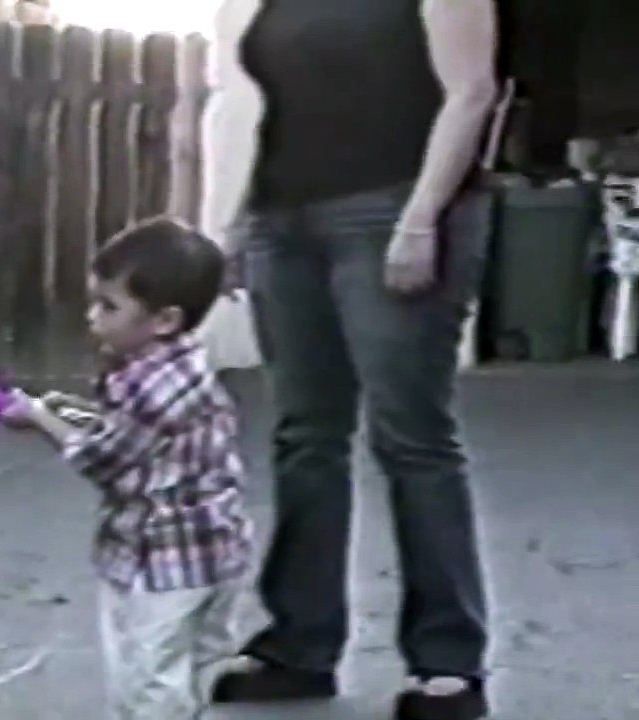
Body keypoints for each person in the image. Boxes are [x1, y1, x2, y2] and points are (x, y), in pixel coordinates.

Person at [204, 1, 500, 719]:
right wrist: (241, 217)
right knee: (305, 436)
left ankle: (448, 664)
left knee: (411, 437)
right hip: (286, 219)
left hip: (392, 210)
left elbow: (472, 93)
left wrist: (422, 217)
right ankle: (300, 646)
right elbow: (269, 103)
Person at [0, 217, 254, 719]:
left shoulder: (147, 388)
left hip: (162, 560)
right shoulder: (181, 368)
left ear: (164, 320)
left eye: (109, 306)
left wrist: (41, 418)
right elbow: (136, 436)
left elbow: (105, 458)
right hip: (215, 552)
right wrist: (70, 411)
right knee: (189, 667)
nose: (93, 318)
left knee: (146, 679)